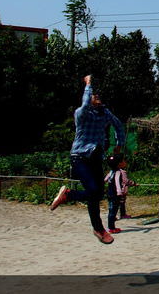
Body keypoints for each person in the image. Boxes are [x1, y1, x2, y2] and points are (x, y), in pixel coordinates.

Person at [50, 75, 126, 244]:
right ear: (88, 97)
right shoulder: (81, 113)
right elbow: (85, 104)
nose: (97, 96)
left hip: (96, 158)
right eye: (94, 95)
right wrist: (88, 84)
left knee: (97, 194)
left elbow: (119, 125)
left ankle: (98, 229)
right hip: (79, 158)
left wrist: (119, 144)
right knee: (92, 190)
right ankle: (69, 196)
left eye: (98, 95)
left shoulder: (105, 113)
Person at [104, 154, 125, 234]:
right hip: (115, 194)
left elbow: (105, 179)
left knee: (111, 209)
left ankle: (111, 226)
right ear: (119, 163)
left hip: (109, 192)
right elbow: (117, 182)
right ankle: (112, 228)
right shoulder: (118, 172)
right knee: (113, 211)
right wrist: (119, 192)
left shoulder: (111, 171)